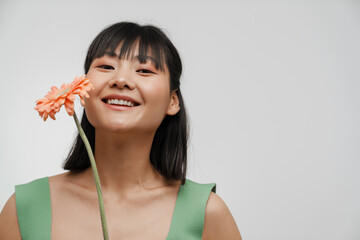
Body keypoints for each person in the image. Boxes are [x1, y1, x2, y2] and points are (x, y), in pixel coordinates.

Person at [0, 22, 242, 240]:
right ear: (82, 91)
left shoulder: (208, 214)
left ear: (173, 101)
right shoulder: (25, 208)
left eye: (145, 70)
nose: (121, 79)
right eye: (106, 66)